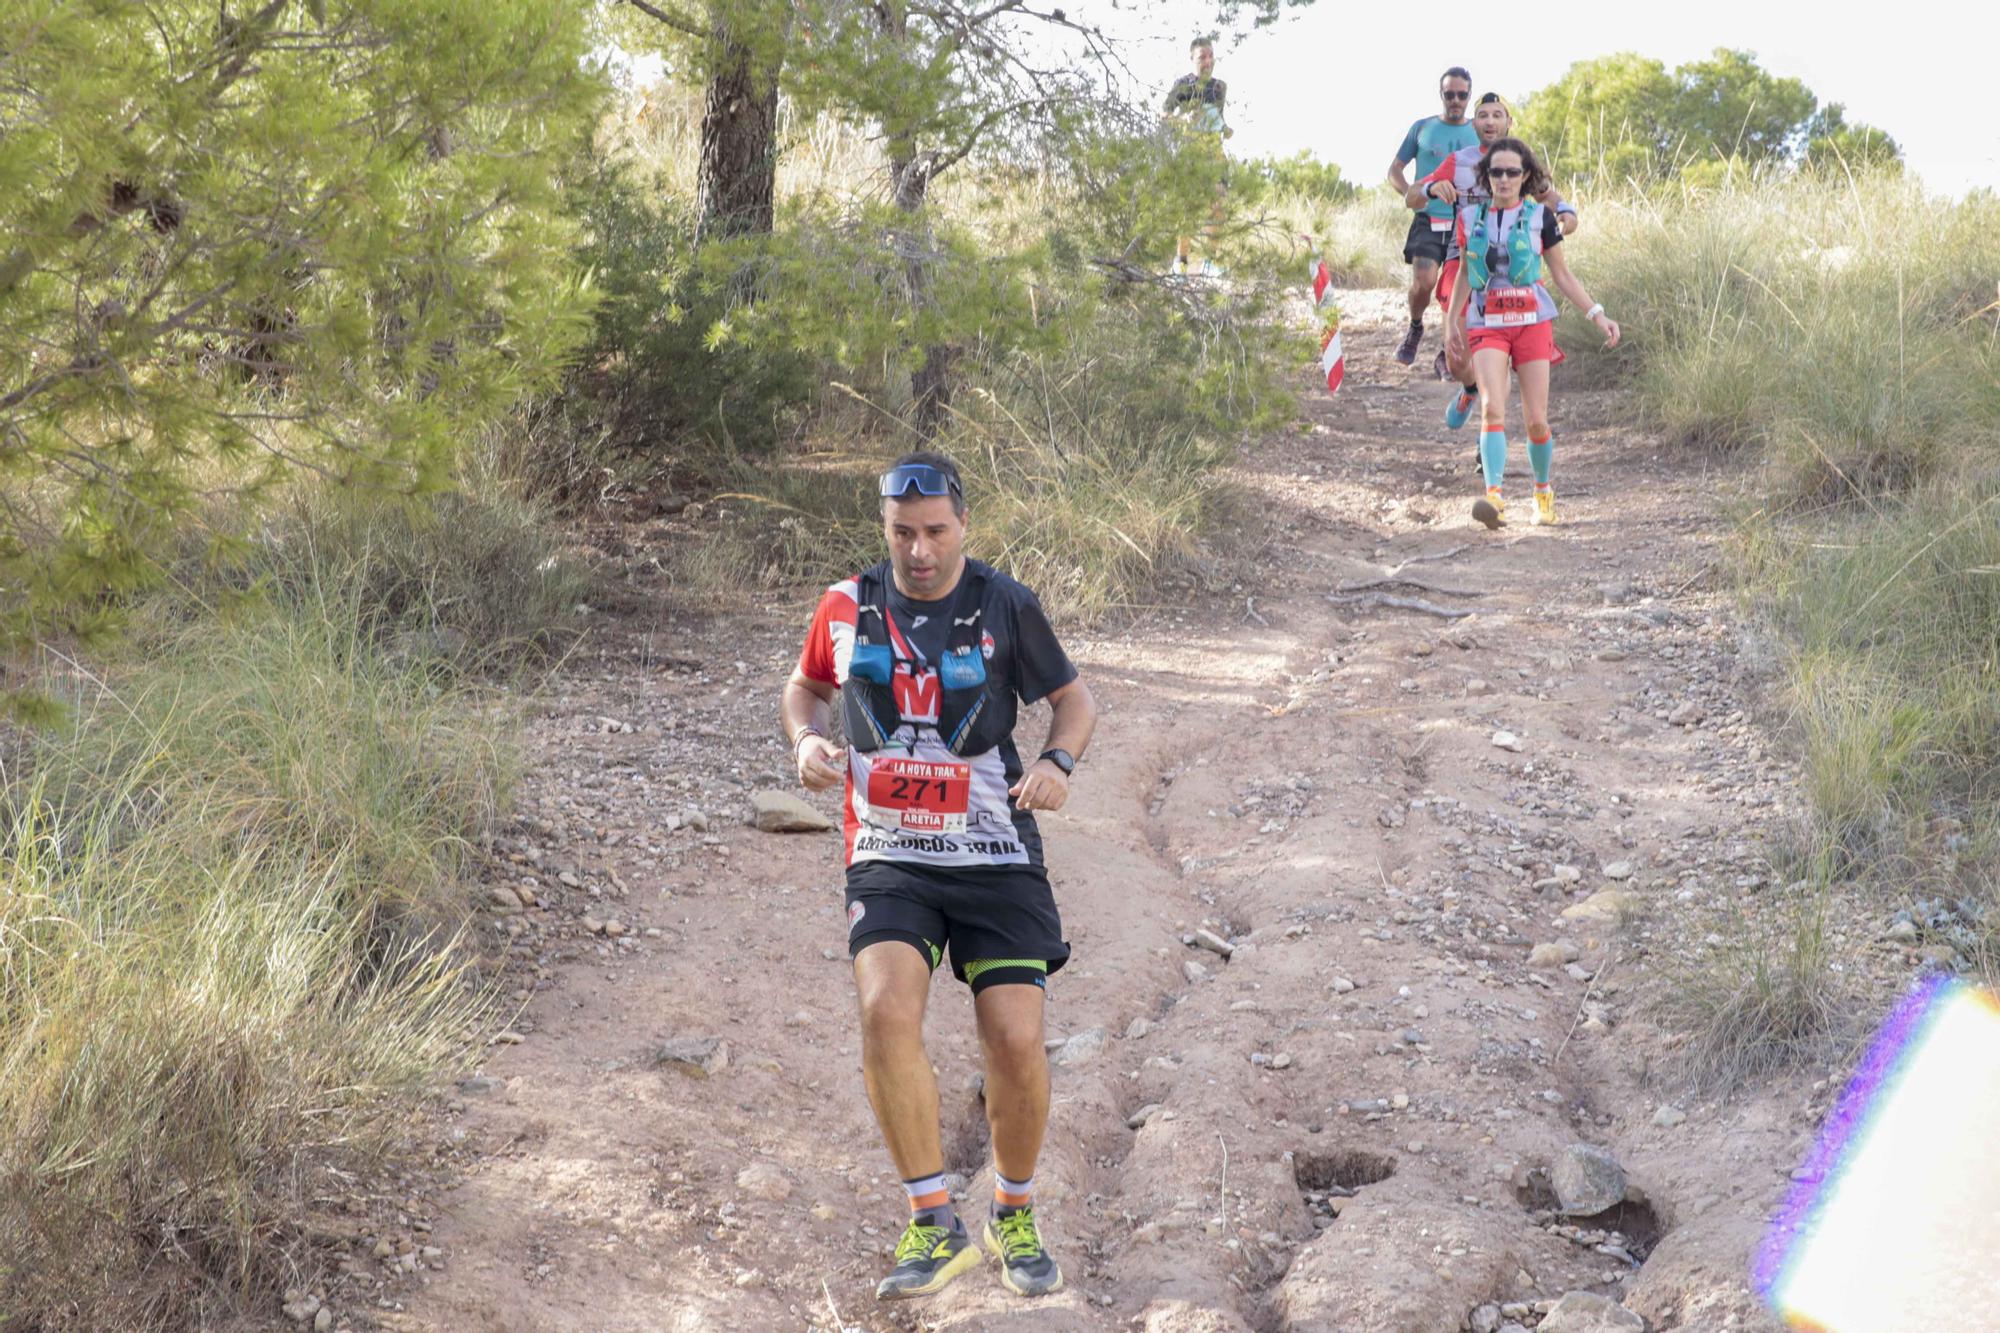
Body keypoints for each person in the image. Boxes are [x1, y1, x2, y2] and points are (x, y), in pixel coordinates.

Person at [781, 452, 1098, 1301]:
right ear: (883, 529)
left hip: (995, 852)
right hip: (889, 852)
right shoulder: (847, 604)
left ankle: (1012, 1211)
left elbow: (1074, 699)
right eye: (901, 533)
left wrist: (1059, 762)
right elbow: (806, 687)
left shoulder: (1005, 603)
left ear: (963, 525)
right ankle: (932, 1221)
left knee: (1016, 1040)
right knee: (885, 1008)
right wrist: (808, 739)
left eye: (934, 531)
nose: (918, 550)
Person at [1442, 139, 1620, 529]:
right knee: (1492, 407)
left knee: (1536, 419)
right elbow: (1465, 275)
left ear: (1525, 177)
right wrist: (1450, 323)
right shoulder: (1469, 217)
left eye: (1512, 172)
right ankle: (1494, 498)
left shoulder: (1541, 217)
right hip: (1487, 321)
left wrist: (1598, 315)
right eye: (1496, 172)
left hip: (1532, 322)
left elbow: (1562, 275)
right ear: (1486, 177)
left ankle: (1542, 492)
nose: (1503, 179)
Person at [1409, 92, 1578, 425]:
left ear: (1508, 122)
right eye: (1483, 115)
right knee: (1458, 357)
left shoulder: (1518, 161)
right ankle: (1470, 389)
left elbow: (1548, 195)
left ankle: (1488, 431)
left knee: (1496, 351)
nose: (1490, 121)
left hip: (1514, 267)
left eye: (1497, 115)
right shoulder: (1458, 162)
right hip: (1465, 261)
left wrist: (1567, 211)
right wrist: (1430, 190)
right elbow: (1412, 197)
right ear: (1474, 124)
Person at [1386, 67, 1478, 365]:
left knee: (1454, 287)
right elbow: (1394, 170)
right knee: (1424, 281)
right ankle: (1415, 327)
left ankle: (1445, 352)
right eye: (1449, 94)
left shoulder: (1479, 130)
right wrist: (1413, 194)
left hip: (1465, 221)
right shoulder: (1422, 128)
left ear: (1468, 96)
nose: (1455, 100)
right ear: (1441, 94)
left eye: (1461, 95)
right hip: (1428, 218)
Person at [1163, 38, 1233, 276]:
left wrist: (1225, 129)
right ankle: (1180, 263)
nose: (1208, 61)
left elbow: (1216, 118)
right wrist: (1181, 120)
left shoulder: (1220, 87)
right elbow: (1164, 113)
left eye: (1211, 55)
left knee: (1217, 208)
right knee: (1188, 209)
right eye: (1202, 56)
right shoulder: (1182, 84)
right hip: (1189, 154)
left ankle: (1210, 263)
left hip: (1214, 154)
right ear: (1192, 58)